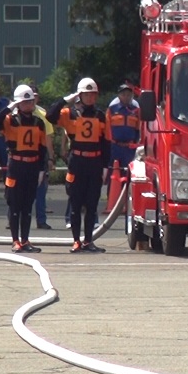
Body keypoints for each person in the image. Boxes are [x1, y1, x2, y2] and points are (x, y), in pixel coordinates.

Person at [47, 77, 110, 253]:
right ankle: (76, 241)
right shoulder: (69, 113)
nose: (90, 98)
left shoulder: (100, 115)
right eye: (86, 94)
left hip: (95, 162)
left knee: (92, 204)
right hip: (77, 161)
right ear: (80, 95)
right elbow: (50, 115)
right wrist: (66, 99)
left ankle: (88, 241)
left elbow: (106, 143)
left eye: (93, 95)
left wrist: (105, 166)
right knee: (75, 203)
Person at [0, 84, 46, 253]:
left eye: (30, 102)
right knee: (15, 205)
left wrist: (42, 169)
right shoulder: (10, 120)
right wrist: (9, 107)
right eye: (25, 102)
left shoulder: (38, 122)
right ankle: (15, 241)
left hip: (32, 165)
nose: (28, 105)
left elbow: (42, 148)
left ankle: (26, 239)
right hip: (16, 165)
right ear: (19, 103)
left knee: (28, 206)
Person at [106, 83, 140, 208]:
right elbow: (107, 128)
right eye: (123, 94)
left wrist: (136, 143)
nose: (126, 97)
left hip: (130, 148)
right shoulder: (112, 109)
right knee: (113, 175)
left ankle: (128, 203)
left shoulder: (136, 110)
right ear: (119, 95)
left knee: (129, 175)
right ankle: (112, 202)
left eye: (128, 94)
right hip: (115, 146)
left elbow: (139, 129)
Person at [31, 86, 55, 230]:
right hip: (21, 156)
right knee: (18, 192)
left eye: (34, 96)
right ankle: (14, 219)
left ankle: (41, 220)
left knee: (41, 190)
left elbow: (48, 138)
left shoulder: (43, 114)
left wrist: (51, 158)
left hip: (40, 155)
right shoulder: (15, 114)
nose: (32, 100)